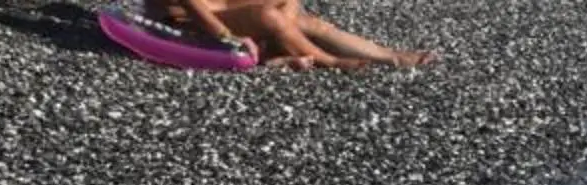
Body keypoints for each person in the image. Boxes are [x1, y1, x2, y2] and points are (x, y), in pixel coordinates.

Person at [152, 0, 432, 69]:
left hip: (221, 9)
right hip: (185, 23)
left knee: (299, 17)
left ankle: (389, 55)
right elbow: (194, 6)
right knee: (267, 16)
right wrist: (226, 36)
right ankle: (328, 61)